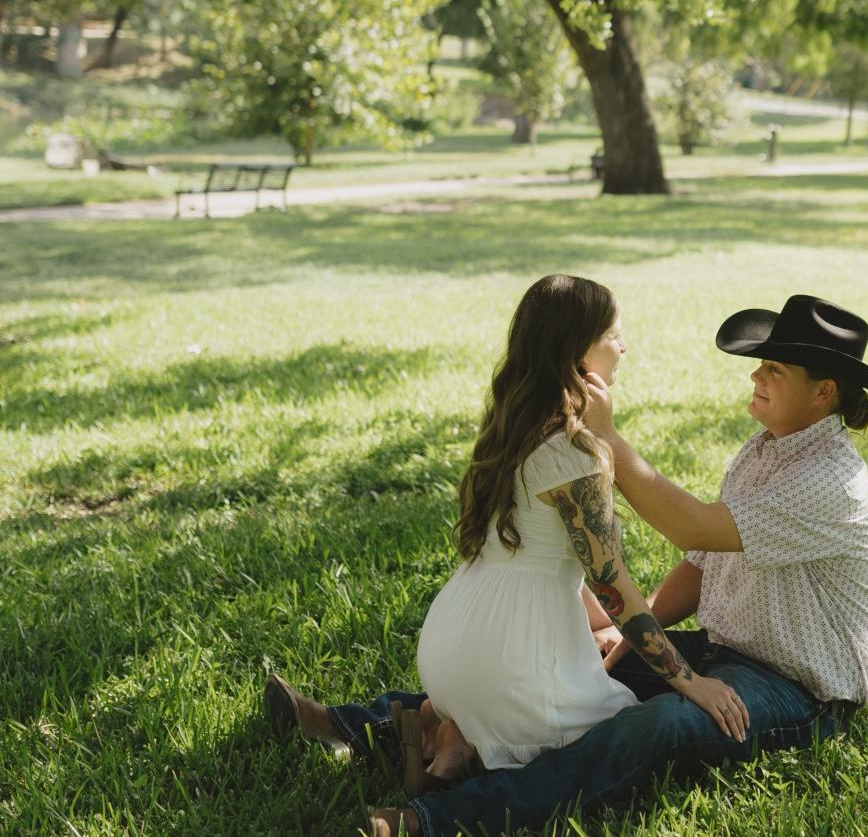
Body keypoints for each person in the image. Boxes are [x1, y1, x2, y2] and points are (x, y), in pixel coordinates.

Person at [347, 292, 868, 837]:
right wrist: (630, 631)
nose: (755, 375)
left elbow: (694, 528)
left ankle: (438, 818)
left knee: (657, 727)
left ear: (823, 391)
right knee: (569, 659)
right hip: (719, 650)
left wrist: (609, 437)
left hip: (796, 687)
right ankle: (373, 723)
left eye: (774, 369)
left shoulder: (833, 482)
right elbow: (701, 564)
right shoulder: (763, 450)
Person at [264, 274, 744, 827]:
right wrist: (691, 681)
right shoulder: (575, 452)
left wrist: (593, 626)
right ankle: (447, 769)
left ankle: (448, 737)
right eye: (614, 335)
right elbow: (612, 584)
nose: (624, 346)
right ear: (578, 354)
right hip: (508, 663)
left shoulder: (510, 428)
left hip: (448, 643)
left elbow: (544, 560)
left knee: (565, 694)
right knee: (621, 735)